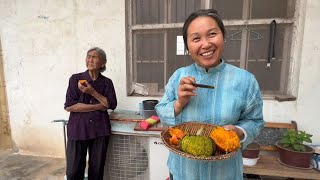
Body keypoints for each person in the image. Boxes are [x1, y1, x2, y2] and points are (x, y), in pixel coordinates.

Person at [155, 9, 264, 180]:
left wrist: (239, 131)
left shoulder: (245, 80)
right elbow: (161, 112)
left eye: (212, 34)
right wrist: (179, 103)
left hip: (225, 173)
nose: (205, 44)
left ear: (223, 36)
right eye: (196, 38)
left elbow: (255, 121)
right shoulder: (178, 76)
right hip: (184, 172)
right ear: (187, 47)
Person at [64, 47, 117, 180]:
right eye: (88, 56)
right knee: (73, 172)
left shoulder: (107, 82)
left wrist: (92, 92)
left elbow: (111, 104)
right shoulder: (76, 79)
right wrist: (98, 106)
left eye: (95, 57)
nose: (90, 59)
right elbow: (70, 106)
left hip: (100, 130)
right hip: (78, 129)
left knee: (97, 171)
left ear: (103, 63)